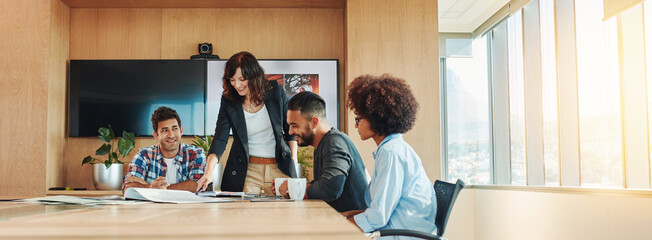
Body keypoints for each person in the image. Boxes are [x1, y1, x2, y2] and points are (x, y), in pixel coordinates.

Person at [342, 74, 437, 238]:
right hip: (396, 229)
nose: (356, 125)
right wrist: (348, 215)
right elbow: (381, 209)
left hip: (402, 235)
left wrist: (340, 224)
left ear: (376, 117)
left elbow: (378, 216)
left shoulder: (391, 153)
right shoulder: (391, 149)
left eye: (359, 118)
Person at [196, 51, 298, 194]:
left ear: (254, 76)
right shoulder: (229, 101)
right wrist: (208, 172)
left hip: (279, 167)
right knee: (244, 214)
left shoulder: (275, 90)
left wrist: (292, 163)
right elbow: (220, 138)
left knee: (283, 213)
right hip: (247, 171)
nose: (237, 85)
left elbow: (290, 130)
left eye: (242, 79)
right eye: (232, 79)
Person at [271, 91, 369, 212]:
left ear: (314, 122)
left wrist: (293, 189)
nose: (290, 132)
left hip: (352, 226)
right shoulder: (323, 143)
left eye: (294, 126)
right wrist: (291, 185)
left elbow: (330, 189)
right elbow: (322, 183)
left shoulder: (334, 144)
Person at [122, 106, 206, 192]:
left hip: (188, 206)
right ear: (156, 135)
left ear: (181, 131)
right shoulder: (144, 154)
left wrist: (157, 188)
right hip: (154, 206)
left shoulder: (196, 153)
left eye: (175, 129)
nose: (171, 135)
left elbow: (198, 185)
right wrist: (150, 187)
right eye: (165, 130)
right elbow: (127, 187)